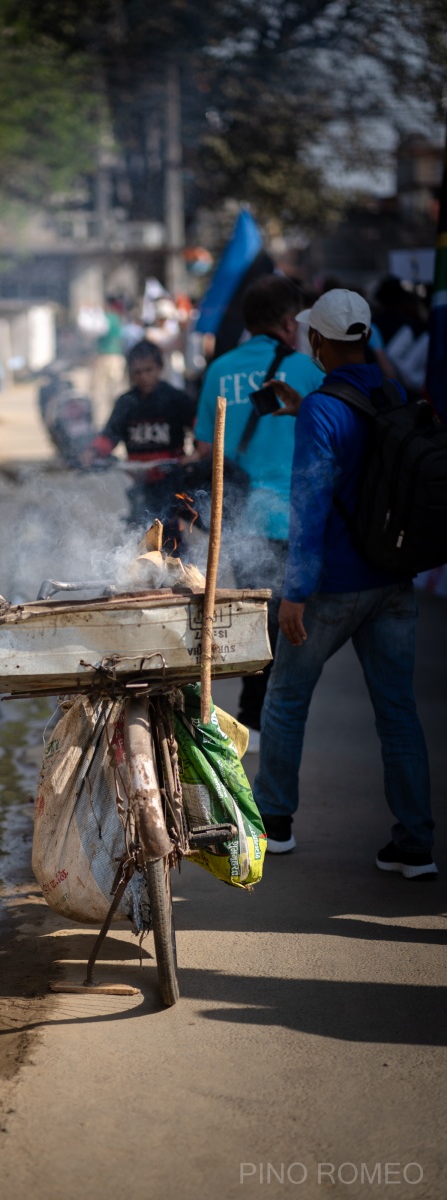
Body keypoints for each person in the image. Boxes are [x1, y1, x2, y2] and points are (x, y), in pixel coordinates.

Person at [253, 289, 435, 879]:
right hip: (394, 580)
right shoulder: (391, 392)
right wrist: (303, 407)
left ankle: (274, 824)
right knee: (398, 713)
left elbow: (310, 507)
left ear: (317, 342)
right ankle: (415, 846)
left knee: (284, 700)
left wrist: (296, 593)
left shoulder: (322, 412)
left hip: (332, 588)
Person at [195, 276, 325, 752]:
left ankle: (253, 708)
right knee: (293, 620)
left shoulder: (221, 368)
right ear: (289, 322)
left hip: (241, 519)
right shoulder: (307, 371)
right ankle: (274, 710)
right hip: (298, 517)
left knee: (257, 615)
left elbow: (206, 448)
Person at [85, 338, 197, 531]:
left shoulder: (176, 399)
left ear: (160, 368)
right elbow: (109, 436)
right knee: (137, 526)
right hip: (139, 479)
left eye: (149, 370)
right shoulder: (126, 402)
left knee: (169, 527)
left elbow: (199, 430)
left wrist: (195, 455)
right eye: (137, 372)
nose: (143, 377)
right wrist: (92, 452)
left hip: (170, 478)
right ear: (130, 373)